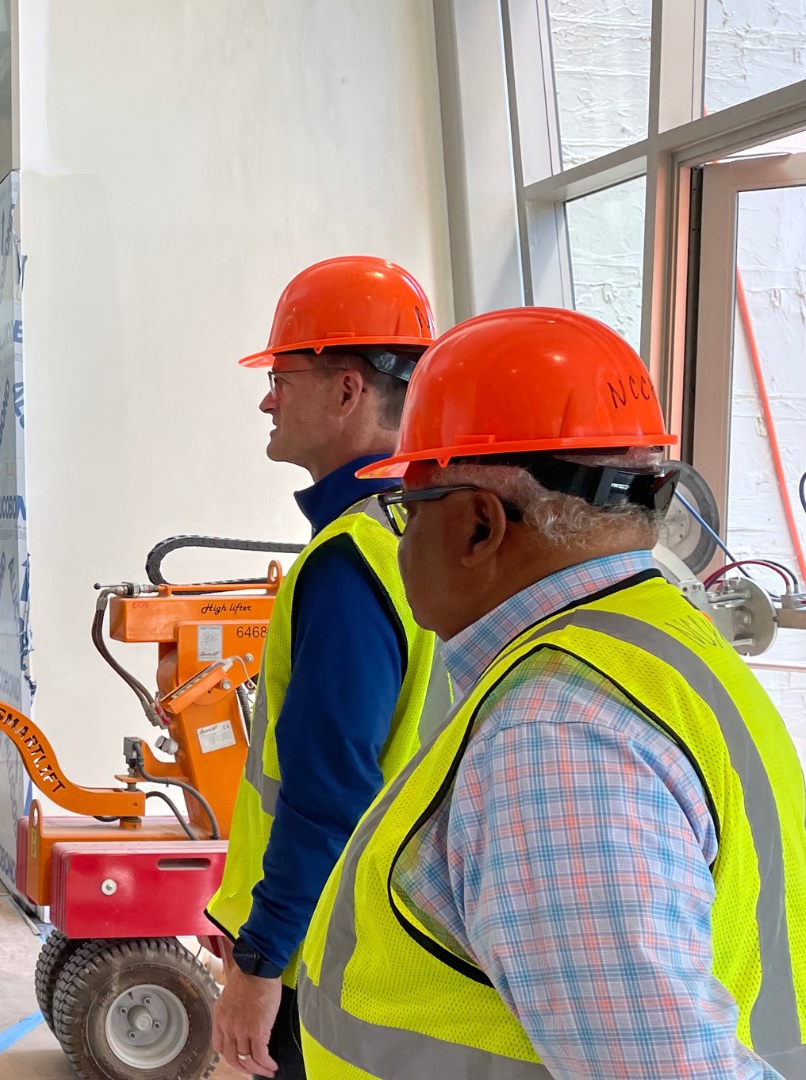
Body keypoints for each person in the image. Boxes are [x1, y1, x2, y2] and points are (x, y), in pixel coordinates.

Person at [296, 307, 806, 1078]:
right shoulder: (662, 643)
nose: (400, 541)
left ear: (477, 526)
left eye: (406, 508)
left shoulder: (556, 738)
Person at [196, 257, 449, 1078]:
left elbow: (327, 791)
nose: (268, 398)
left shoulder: (352, 560)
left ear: (347, 390)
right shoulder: (426, 533)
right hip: (384, 933)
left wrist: (259, 964)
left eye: (282, 376)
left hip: (322, 949)